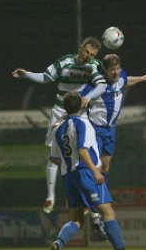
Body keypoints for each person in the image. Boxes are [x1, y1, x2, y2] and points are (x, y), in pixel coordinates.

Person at [12, 37, 108, 239]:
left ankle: (92, 208)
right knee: (56, 155)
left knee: (87, 154)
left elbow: (101, 86)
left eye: (91, 55)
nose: (87, 56)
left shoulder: (94, 66)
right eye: (86, 52)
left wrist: (88, 98)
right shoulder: (64, 61)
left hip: (80, 114)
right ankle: (51, 195)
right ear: (80, 46)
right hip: (59, 110)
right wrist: (26, 74)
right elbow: (46, 77)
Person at [49, 92, 140, 250]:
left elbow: (54, 158)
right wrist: (96, 172)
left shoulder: (58, 129)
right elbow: (83, 150)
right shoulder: (85, 124)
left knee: (76, 219)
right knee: (107, 212)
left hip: (68, 176)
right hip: (86, 173)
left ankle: (58, 243)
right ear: (82, 106)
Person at [80, 54, 146, 178]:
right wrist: (65, 118)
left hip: (111, 129)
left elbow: (126, 81)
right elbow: (79, 101)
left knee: (105, 166)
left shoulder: (120, 76)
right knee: (94, 166)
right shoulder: (94, 85)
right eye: (112, 70)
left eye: (118, 69)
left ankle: (101, 194)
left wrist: (143, 78)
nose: (116, 72)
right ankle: (91, 195)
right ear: (105, 70)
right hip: (95, 130)